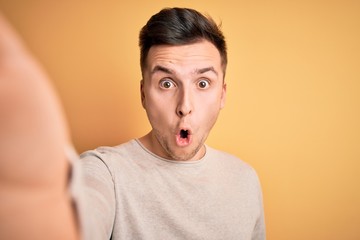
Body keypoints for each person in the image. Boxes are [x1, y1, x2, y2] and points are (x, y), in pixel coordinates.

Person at [79, 7, 266, 240]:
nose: (184, 106)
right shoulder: (104, 171)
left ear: (222, 95)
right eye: (167, 83)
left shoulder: (245, 180)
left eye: (203, 83)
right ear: (143, 94)